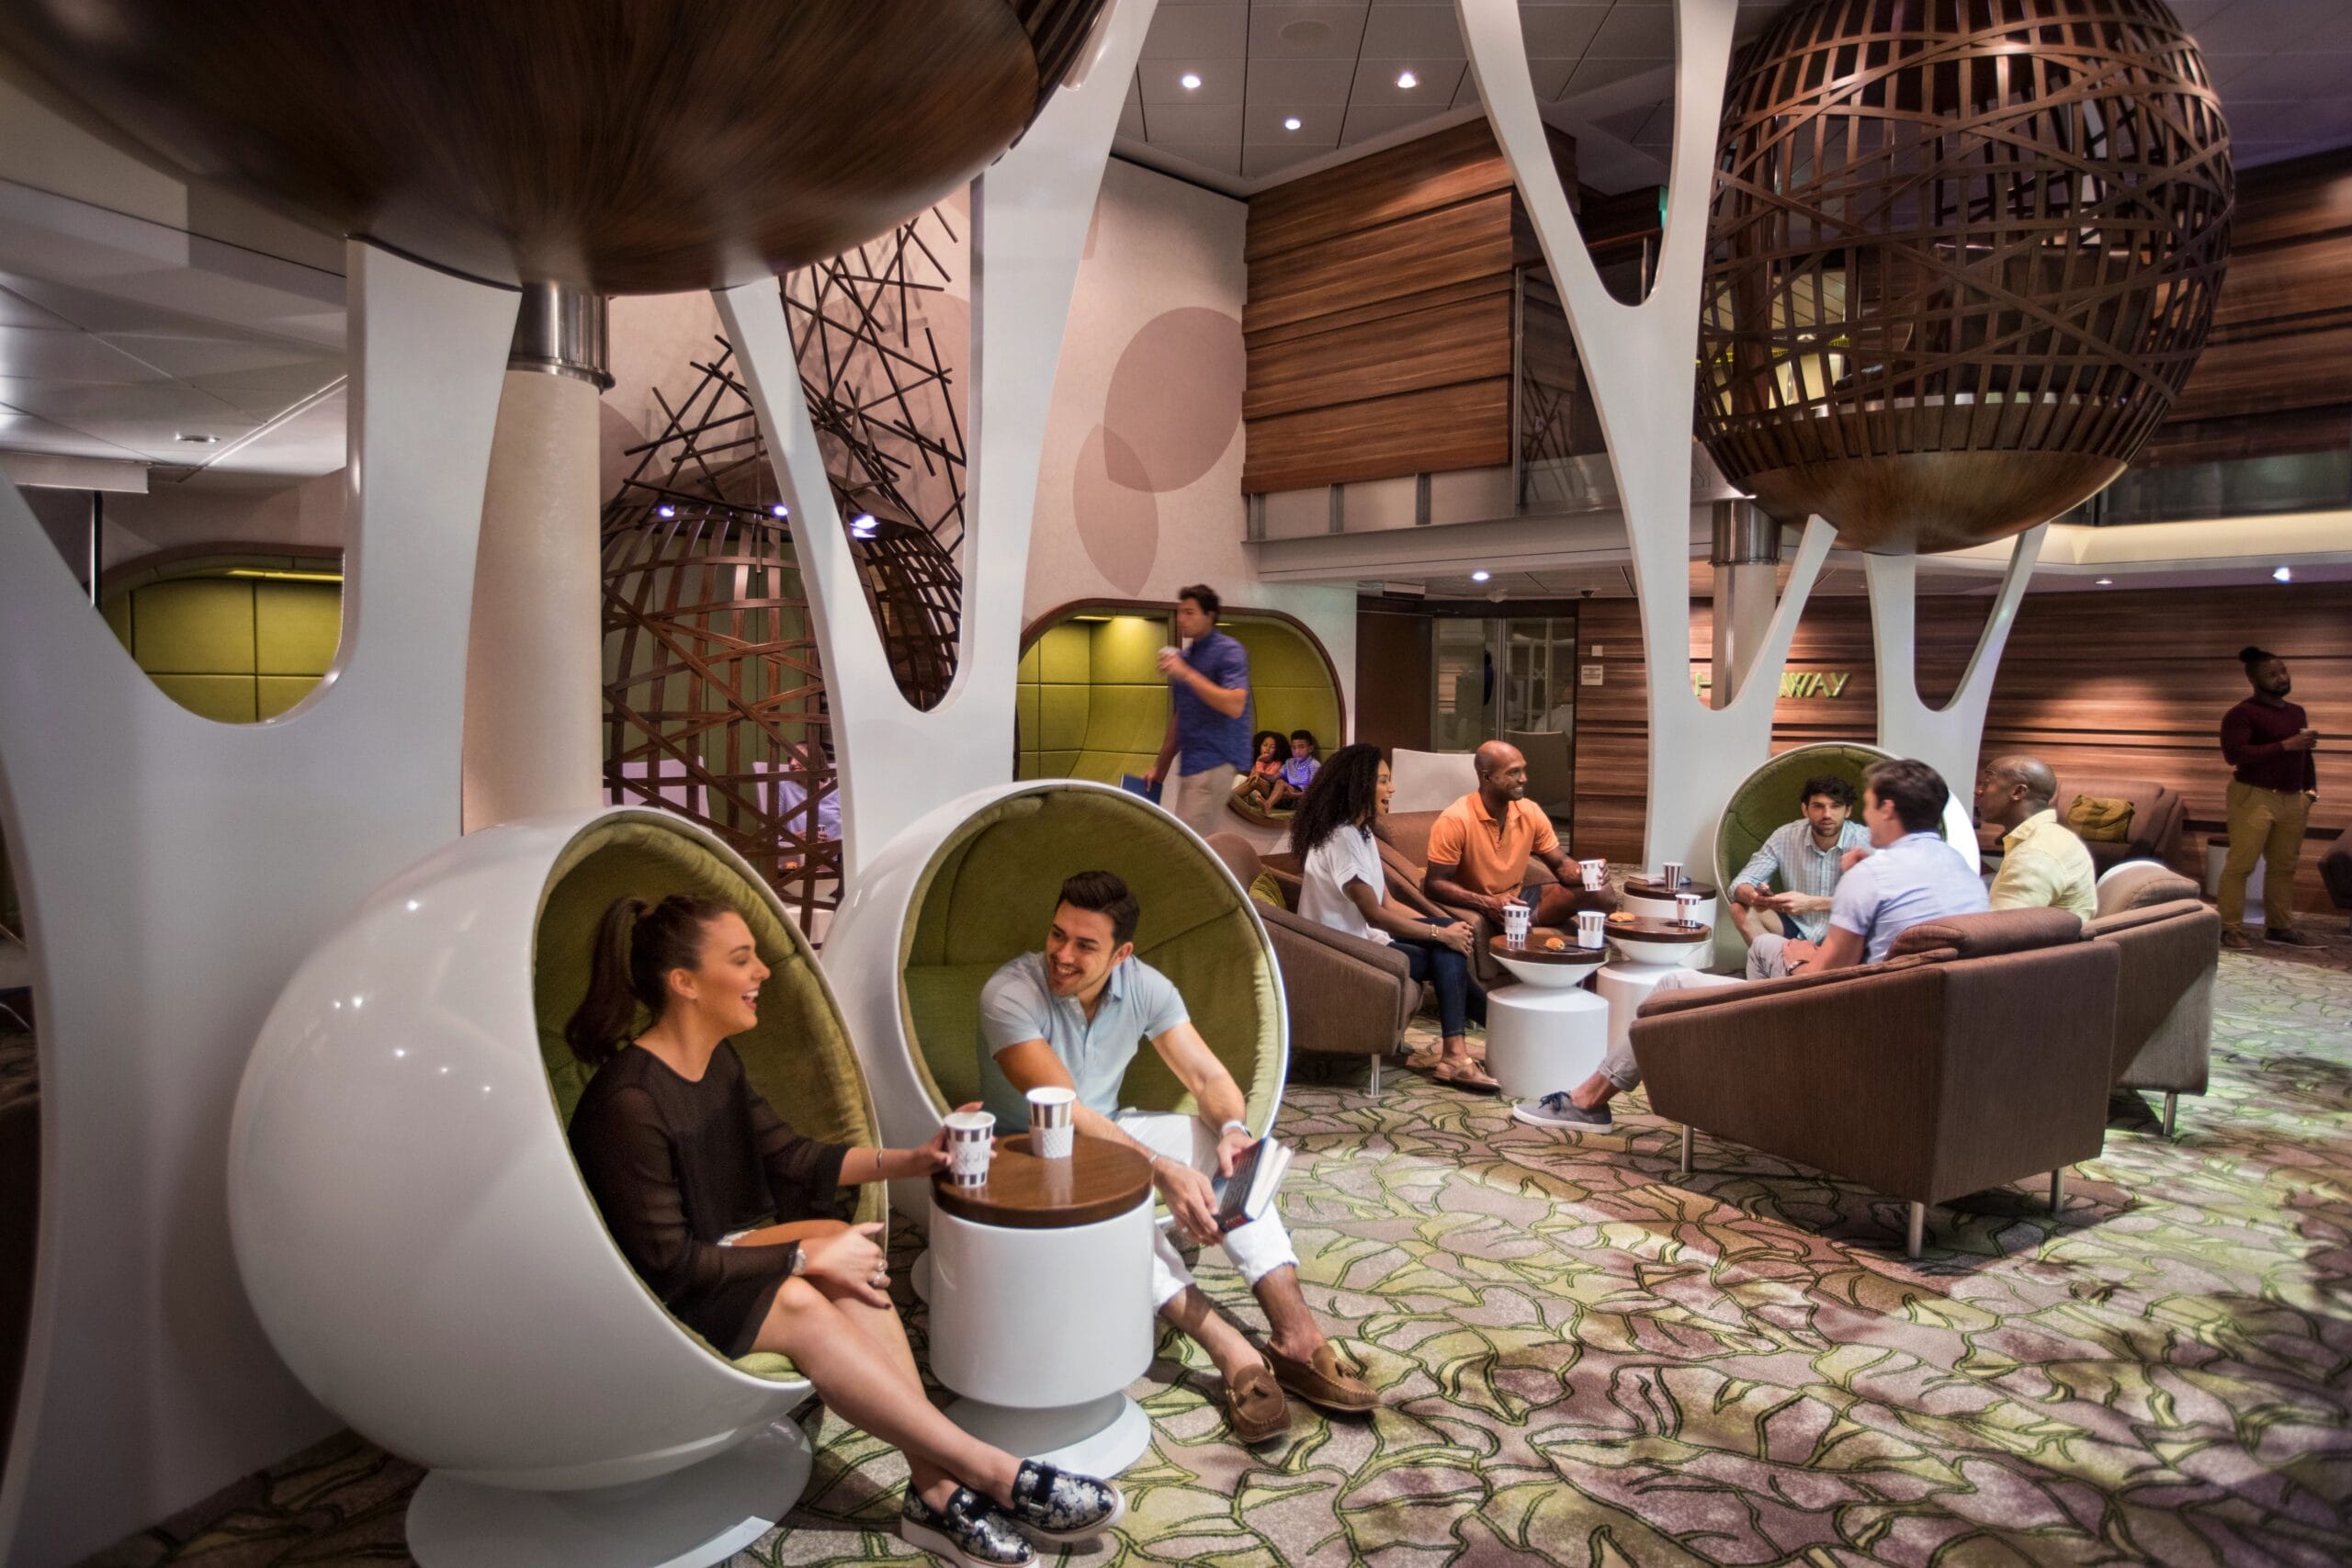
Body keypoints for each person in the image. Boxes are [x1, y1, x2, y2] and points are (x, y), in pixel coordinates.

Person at [564, 895, 1124, 1568]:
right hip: (645, 1304)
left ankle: (935, 1490)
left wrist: (915, 1158)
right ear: (684, 982)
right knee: (803, 1294)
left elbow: (796, 1156)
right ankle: (994, 1471)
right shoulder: (628, 1102)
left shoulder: (718, 1063)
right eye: (741, 960)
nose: (763, 972)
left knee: (845, 1246)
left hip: (709, 1257)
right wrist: (800, 1257)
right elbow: (666, 1264)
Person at [978, 872, 1378, 1443]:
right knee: (1113, 1204)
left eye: (1085, 945)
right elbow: (1064, 1111)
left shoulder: (1146, 986)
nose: (1062, 955)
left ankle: (1297, 1337)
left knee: (1226, 1149)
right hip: (1028, 1152)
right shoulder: (1008, 994)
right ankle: (1232, 1350)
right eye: (1058, 934)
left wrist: (1233, 1131)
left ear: (1121, 954)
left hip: (1108, 1132)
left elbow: (1206, 1075)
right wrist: (1159, 1169)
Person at [1521, 759, 1989, 1132]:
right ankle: (1748, 1074)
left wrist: (1801, 958)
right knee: (1766, 949)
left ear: (1886, 809)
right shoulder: (1962, 870)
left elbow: (1823, 980)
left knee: (1672, 985)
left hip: (1851, 1024)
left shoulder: (1872, 874)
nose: (1857, 816)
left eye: (1864, 806)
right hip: (1920, 1019)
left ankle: (1588, 1101)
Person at [1291, 744, 1490, 1089]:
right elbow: (1375, 914)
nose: (1392, 789)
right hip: (1343, 952)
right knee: (1444, 949)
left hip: (1364, 940)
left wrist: (1440, 927)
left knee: (1448, 938)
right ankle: (1464, 1050)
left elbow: (1390, 903)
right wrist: (1440, 935)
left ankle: (1467, 1046)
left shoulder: (1361, 832)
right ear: (1359, 785)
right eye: (1383, 781)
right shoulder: (1341, 839)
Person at [1423, 739, 1613, 930]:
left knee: (1603, 893)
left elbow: (1561, 864)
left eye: (1523, 770)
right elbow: (1435, 884)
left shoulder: (1529, 810)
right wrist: (1487, 903)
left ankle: (1535, 929)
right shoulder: (1455, 819)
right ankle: (1518, 929)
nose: (1523, 779)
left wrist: (1583, 873)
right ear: (1487, 777)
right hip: (1477, 904)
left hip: (1517, 899)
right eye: (1513, 772)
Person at [2218, 646, 2323, 949]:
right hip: (2254, 796)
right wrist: (2285, 745)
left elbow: (2304, 754)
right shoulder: (2241, 714)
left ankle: (2279, 927)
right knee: (2241, 865)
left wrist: (2310, 791)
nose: (2281, 678)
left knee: (2284, 866)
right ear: (2254, 680)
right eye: (2272, 674)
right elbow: (2235, 755)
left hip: (2294, 799)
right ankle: (2230, 929)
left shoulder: (2296, 712)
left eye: (2283, 671)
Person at [1726, 773, 1872, 976]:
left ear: (1847, 811)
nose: (1827, 814)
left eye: (1835, 806)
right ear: (1805, 809)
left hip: (1844, 933)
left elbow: (1877, 901)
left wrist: (1812, 903)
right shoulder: (1785, 835)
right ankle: (1782, 977)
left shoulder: (1866, 841)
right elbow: (1740, 883)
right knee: (1740, 909)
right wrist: (1755, 897)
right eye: (1818, 806)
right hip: (1796, 928)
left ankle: (1796, 980)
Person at [1144, 585, 1253, 839]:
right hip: (1192, 762)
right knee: (1188, 839)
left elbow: (1235, 705)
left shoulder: (1229, 651)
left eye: (1190, 613)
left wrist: (1186, 674)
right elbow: (1183, 716)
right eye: (1180, 612)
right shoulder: (1187, 657)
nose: (1182, 619)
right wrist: (1160, 767)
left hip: (1216, 759)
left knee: (1191, 843)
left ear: (1210, 615)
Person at [1974, 754, 2097, 922]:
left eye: (1987, 782)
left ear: (2018, 792)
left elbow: (2002, 928)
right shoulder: (2048, 836)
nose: (1978, 791)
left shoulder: (2035, 853)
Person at [1265, 729, 1320, 810]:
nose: (1297, 751)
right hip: (1288, 795)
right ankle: (1243, 809)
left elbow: (1314, 791)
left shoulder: (1314, 765)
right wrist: (1259, 774)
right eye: (1294, 748)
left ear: (1310, 748)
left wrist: (1294, 795)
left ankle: (1267, 805)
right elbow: (1273, 778)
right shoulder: (1289, 762)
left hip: (1301, 798)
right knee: (1255, 782)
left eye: (1301, 747)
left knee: (1280, 782)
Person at [1232, 729, 1287, 807]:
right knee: (1239, 777)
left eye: (1272, 747)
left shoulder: (1277, 764)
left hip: (1264, 794)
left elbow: (1261, 780)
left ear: (1277, 750)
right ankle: (1229, 800)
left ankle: (1228, 801)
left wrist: (1260, 761)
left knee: (1245, 779)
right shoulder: (1256, 763)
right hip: (1253, 792)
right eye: (1265, 745)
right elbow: (1250, 779)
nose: (1267, 749)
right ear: (1259, 746)